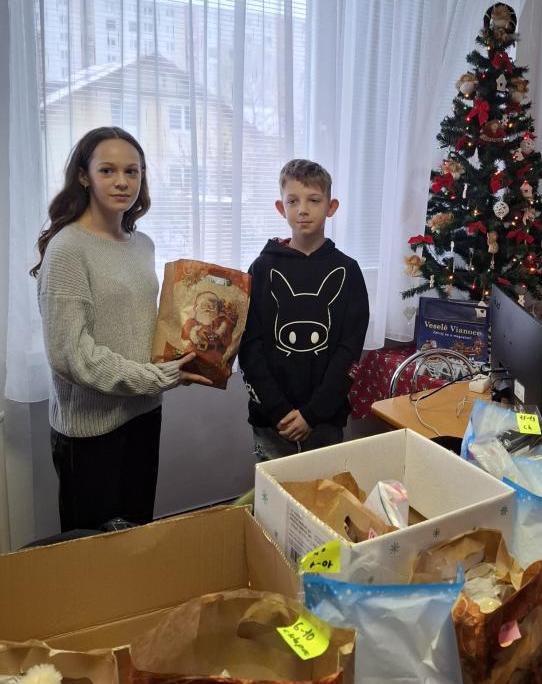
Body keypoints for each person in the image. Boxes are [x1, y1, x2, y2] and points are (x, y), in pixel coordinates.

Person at [32, 126, 210, 532]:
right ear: (84, 176)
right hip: (90, 432)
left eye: (132, 171)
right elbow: (72, 356)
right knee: (92, 550)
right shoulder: (68, 249)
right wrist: (157, 377)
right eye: (107, 170)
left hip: (144, 413)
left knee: (135, 535)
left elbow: (143, 324)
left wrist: (186, 351)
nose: (122, 181)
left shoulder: (141, 243)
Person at [238, 159, 369, 460]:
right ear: (280, 208)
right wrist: (278, 410)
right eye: (293, 201)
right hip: (272, 422)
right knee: (274, 489)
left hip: (325, 422)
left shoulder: (348, 271)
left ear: (331, 207)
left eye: (314, 200)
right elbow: (249, 346)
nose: (303, 210)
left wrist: (312, 413)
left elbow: (349, 350)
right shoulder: (262, 268)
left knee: (325, 488)